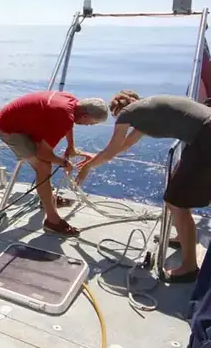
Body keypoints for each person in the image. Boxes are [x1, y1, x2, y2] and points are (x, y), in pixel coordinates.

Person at [76, 90, 211, 283]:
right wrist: (96, 158)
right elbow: (125, 145)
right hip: (201, 136)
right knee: (175, 196)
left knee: (177, 202)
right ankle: (183, 238)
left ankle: (189, 268)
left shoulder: (128, 113)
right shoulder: (145, 110)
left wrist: (88, 167)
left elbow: (113, 148)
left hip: (205, 137)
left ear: (118, 110)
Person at [0, 90, 108, 237]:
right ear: (85, 116)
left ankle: (48, 199)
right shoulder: (64, 115)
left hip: (24, 123)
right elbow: (43, 153)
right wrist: (64, 163)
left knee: (45, 163)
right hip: (8, 128)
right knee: (43, 167)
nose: (89, 126)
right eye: (92, 123)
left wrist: (71, 146)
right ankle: (52, 222)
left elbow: (68, 123)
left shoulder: (72, 101)